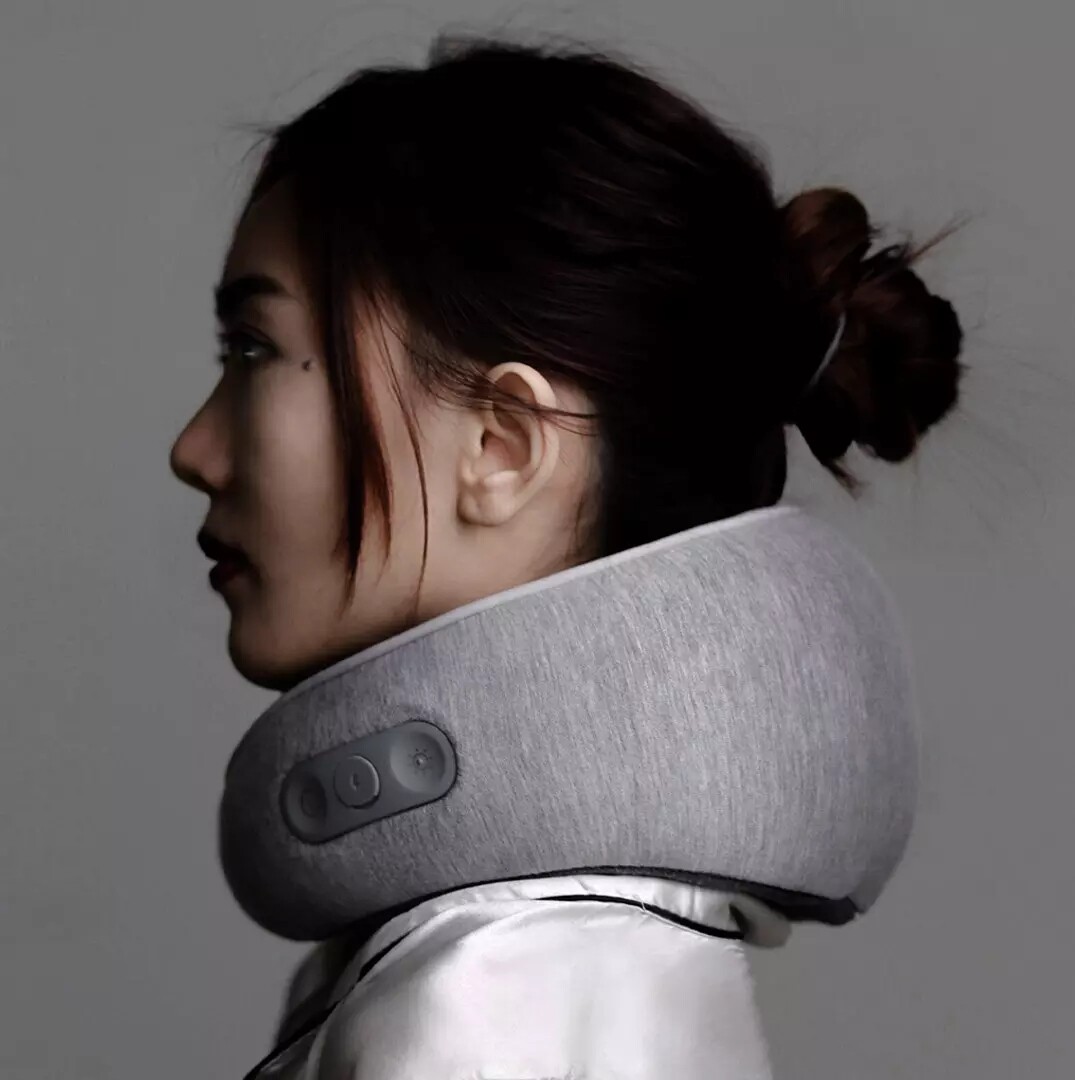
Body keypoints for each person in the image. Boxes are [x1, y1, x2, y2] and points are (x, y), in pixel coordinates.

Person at [169, 32, 967, 1080]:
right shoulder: (549, 970)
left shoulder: (494, 1006)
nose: (194, 449)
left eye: (255, 350)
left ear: (501, 446)